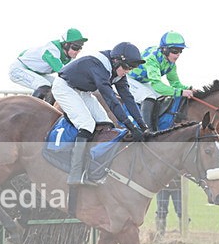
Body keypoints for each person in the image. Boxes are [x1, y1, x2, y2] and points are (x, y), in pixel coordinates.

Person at [52, 42, 148, 186]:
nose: (127, 71)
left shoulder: (117, 70)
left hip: (83, 91)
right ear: (116, 61)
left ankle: (94, 167)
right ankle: (75, 173)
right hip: (64, 88)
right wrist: (130, 126)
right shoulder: (99, 65)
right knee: (87, 124)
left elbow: (128, 98)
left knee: (106, 123)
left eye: (131, 68)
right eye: (127, 67)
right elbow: (111, 100)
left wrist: (142, 124)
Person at [127, 31, 194, 131]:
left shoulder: (170, 63)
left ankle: (157, 126)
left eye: (181, 51)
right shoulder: (152, 59)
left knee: (160, 97)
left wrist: (188, 89)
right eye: (175, 51)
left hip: (143, 81)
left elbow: (175, 83)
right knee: (149, 97)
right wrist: (181, 92)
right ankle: (147, 130)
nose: (178, 54)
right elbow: (157, 85)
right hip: (129, 79)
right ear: (165, 50)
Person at [8, 28, 88, 101]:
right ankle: (30, 111)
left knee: (57, 86)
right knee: (44, 86)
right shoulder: (52, 50)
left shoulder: (69, 57)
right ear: (66, 45)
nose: (78, 51)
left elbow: (75, 74)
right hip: (18, 69)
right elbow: (63, 72)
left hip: (36, 72)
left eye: (80, 48)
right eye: (75, 47)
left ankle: (50, 112)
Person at [154, 176, 183, 241]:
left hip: (177, 186)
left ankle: (184, 234)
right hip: (162, 186)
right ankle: (159, 234)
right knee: (161, 212)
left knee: (181, 211)